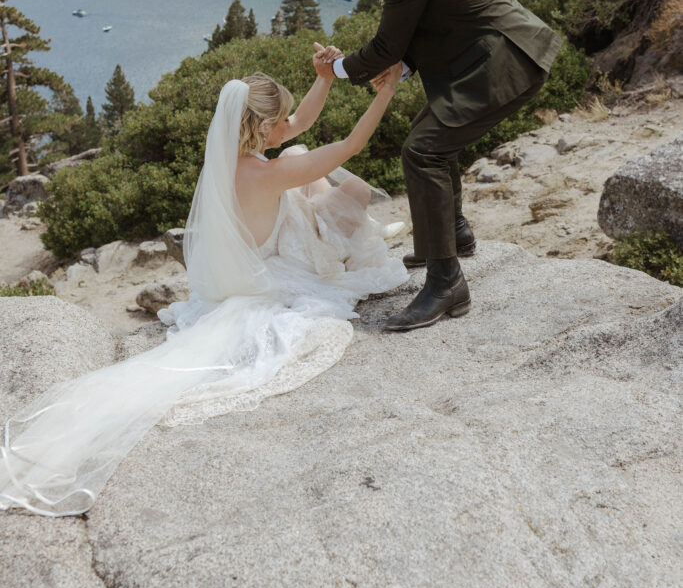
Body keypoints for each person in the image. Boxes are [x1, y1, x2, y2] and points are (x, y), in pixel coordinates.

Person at [0, 58, 406, 516]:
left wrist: (324, 77)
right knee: (349, 190)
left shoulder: (227, 156)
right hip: (288, 258)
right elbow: (352, 145)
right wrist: (386, 93)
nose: (289, 123)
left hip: (261, 239)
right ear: (262, 126)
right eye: (281, 120)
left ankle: (354, 229)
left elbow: (300, 124)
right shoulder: (265, 174)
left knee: (295, 152)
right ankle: (353, 240)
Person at [315, 0, 563, 333]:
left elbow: (388, 45)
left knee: (423, 149)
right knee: (433, 140)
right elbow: (426, 23)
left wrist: (337, 69)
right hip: (497, 52)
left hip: (503, 61)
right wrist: (402, 65)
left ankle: (446, 283)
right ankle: (457, 235)